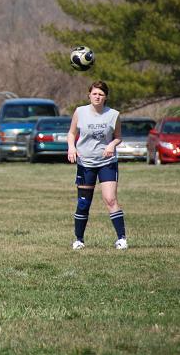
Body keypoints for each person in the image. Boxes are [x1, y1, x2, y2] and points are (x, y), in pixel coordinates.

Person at [67, 80, 126, 250]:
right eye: (94, 93)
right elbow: (71, 133)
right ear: (89, 95)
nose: (97, 97)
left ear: (105, 97)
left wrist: (111, 145)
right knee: (84, 202)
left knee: (110, 199)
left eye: (101, 94)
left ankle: (121, 238)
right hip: (85, 163)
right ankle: (79, 240)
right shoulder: (80, 112)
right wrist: (71, 147)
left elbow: (118, 136)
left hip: (107, 163)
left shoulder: (113, 114)